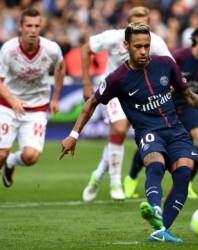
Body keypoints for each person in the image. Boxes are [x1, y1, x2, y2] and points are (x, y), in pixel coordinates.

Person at [60, 23, 198, 243]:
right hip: (149, 132)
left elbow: (189, 95)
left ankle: (161, 230)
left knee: (184, 174)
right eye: (138, 46)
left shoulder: (165, 64)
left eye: (147, 46)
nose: (144, 51)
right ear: (126, 45)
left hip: (176, 130)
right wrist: (74, 135)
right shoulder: (117, 78)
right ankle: (154, 209)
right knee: (154, 164)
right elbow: (90, 104)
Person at [81, 6, 173, 201]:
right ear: (127, 23)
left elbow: (170, 66)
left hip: (138, 94)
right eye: (135, 20)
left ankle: (97, 175)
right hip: (113, 89)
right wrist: (87, 83)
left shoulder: (155, 42)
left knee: (117, 135)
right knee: (120, 129)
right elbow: (85, 49)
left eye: (144, 20)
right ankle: (115, 183)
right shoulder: (113, 37)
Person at [124, 22, 198, 199]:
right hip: (166, 106)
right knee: (152, 146)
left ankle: (186, 182)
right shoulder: (180, 57)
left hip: (189, 106)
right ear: (197, 39)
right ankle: (131, 178)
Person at [0, 8, 65, 187]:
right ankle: (6, 159)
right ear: (20, 27)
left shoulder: (51, 49)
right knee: (1, 153)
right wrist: (13, 101)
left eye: (37, 26)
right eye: (29, 25)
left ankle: (11, 162)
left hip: (36, 108)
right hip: (7, 106)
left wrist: (55, 98)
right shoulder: (8, 49)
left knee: (31, 157)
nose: (33, 30)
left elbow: (61, 67)